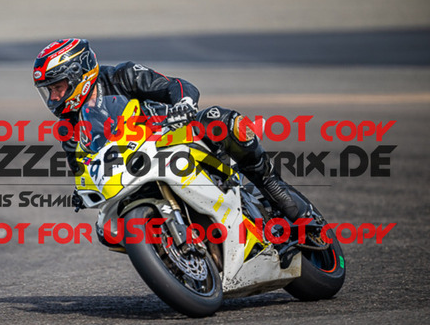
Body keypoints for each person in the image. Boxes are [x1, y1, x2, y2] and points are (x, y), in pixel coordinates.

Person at [33, 38, 309, 221]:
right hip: (133, 166)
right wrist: (82, 190)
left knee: (219, 119)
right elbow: (81, 168)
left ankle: (272, 186)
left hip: (172, 137)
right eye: (49, 91)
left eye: (58, 87)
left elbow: (176, 86)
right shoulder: (69, 126)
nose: (54, 97)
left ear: (79, 74)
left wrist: (184, 104)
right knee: (107, 228)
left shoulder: (122, 76)